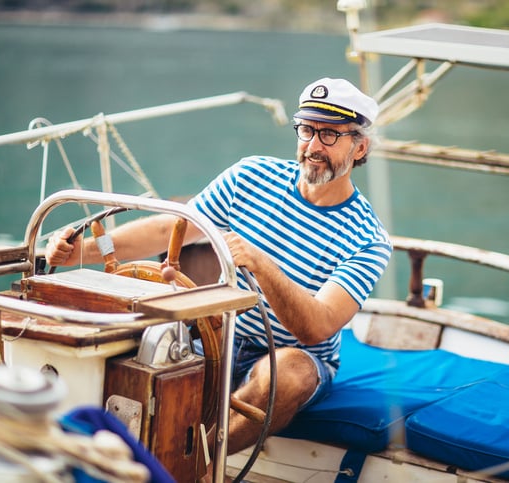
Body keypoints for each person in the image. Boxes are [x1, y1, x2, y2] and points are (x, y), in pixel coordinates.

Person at [46, 77, 392, 458]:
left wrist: (261, 262)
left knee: (290, 370)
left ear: (360, 147)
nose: (312, 146)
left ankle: (189, 468)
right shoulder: (252, 176)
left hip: (296, 357)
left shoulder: (369, 239)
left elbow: (316, 327)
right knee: (129, 336)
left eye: (329, 135)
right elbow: (170, 228)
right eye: (307, 130)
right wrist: (85, 248)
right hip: (214, 340)